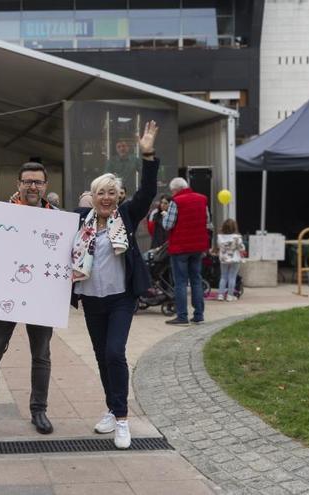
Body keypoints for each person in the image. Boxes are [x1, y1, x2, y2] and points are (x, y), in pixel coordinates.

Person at [70, 121, 160, 449]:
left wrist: (147, 153)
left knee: (114, 352)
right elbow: (40, 222)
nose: (106, 198)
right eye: (100, 193)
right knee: (100, 355)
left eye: (111, 192)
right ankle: (111, 407)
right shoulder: (80, 220)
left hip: (121, 297)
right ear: (91, 197)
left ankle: (122, 419)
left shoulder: (126, 215)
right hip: (92, 299)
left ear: (118, 195)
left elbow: (148, 192)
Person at [0, 162, 56, 437]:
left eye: (38, 182)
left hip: (40, 298)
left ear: (46, 186)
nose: (33, 186)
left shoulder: (58, 218)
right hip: (4, 295)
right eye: (27, 181)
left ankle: (39, 411)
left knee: (41, 356)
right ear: (18, 184)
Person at [162, 178, 210, 325]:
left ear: (175, 190)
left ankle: (182, 316)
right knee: (196, 280)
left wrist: (164, 216)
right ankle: (199, 315)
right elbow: (207, 221)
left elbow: (168, 225)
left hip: (180, 248)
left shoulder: (176, 202)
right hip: (198, 247)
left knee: (180, 282)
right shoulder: (202, 199)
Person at [216, 219, 244, 302]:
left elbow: (219, 246)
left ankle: (220, 295)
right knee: (232, 277)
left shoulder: (219, 236)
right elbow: (241, 248)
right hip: (235, 258)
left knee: (223, 276)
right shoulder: (237, 237)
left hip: (224, 258)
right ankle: (229, 295)